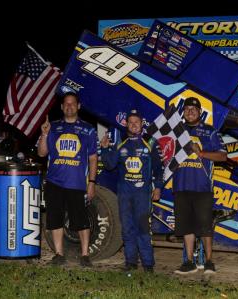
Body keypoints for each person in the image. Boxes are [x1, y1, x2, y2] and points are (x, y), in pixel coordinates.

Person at [37, 92, 97, 267]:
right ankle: (59, 254)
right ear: (62, 107)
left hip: (77, 183)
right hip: (54, 182)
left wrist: (91, 183)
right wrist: (45, 135)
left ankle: (85, 255)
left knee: (81, 220)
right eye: (66, 104)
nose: (69, 106)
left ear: (78, 106)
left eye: (73, 104)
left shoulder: (88, 129)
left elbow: (93, 158)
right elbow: (42, 153)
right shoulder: (53, 127)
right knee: (55, 219)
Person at [100, 110, 163, 273]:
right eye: (131, 122)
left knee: (143, 228)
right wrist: (105, 149)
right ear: (126, 124)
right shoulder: (120, 141)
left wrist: (158, 187)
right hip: (125, 194)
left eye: (137, 122)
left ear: (142, 124)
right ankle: (131, 262)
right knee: (127, 228)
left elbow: (158, 168)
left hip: (143, 194)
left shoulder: (151, 142)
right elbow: (110, 165)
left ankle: (148, 264)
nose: (134, 125)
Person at [173, 97, 227, 275]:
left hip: (202, 187)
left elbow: (222, 157)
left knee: (205, 227)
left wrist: (201, 152)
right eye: (187, 109)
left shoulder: (210, 131)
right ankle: (189, 262)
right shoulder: (177, 131)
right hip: (181, 186)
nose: (190, 112)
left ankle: (209, 261)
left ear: (199, 112)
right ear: (183, 112)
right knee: (186, 226)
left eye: (193, 109)